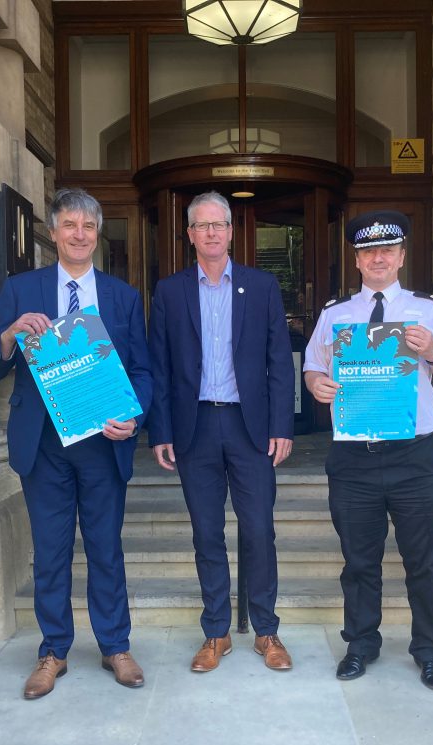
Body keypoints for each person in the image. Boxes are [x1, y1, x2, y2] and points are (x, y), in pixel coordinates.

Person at [0, 187, 152, 698]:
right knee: (50, 553)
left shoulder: (122, 296)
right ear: (52, 233)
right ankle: (53, 650)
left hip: (102, 443)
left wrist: (134, 417)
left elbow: (141, 369)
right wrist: (10, 334)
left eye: (89, 226)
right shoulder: (21, 289)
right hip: (44, 446)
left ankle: (115, 646)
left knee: (105, 550)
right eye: (70, 225)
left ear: (98, 234)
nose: (79, 234)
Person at [303, 210, 433, 692]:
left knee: (425, 560)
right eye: (368, 251)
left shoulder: (429, 310)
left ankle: (430, 652)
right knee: (358, 560)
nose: (378, 258)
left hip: (416, 456)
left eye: (388, 250)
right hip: (355, 457)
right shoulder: (336, 315)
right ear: (357, 259)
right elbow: (313, 367)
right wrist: (318, 387)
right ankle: (360, 644)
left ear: (400, 257)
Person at [147, 190, 295, 673]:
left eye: (219, 224)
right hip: (195, 428)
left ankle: (267, 631)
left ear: (232, 232)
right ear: (189, 234)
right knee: (207, 533)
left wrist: (282, 425)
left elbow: (278, 360)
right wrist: (160, 431)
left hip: (249, 427)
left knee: (259, 530)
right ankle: (216, 633)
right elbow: (161, 367)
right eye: (201, 225)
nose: (211, 233)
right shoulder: (169, 292)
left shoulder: (262, 285)